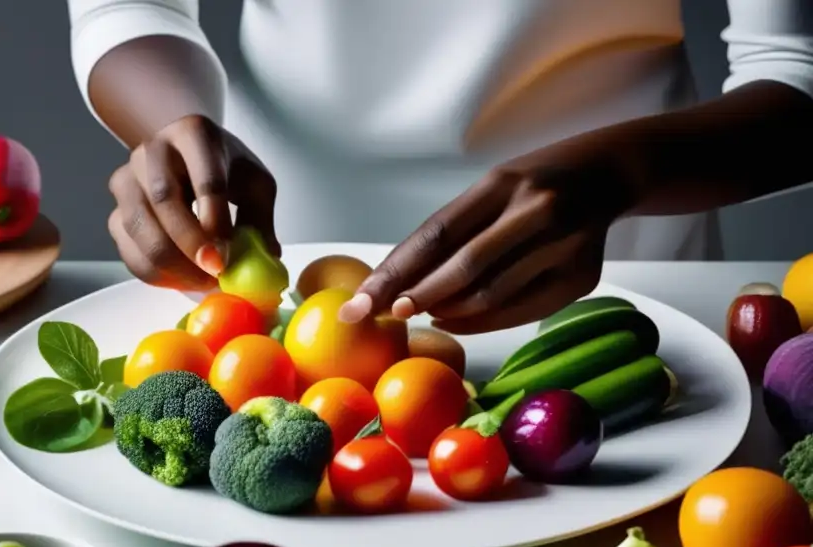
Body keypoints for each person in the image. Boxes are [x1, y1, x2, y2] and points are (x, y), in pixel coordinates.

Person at [67, 1, 813, 334]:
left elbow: (796, 72)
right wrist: (172, 130)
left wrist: (616, 175)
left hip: (622, 272)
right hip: (274, 274)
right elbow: (128, 6)